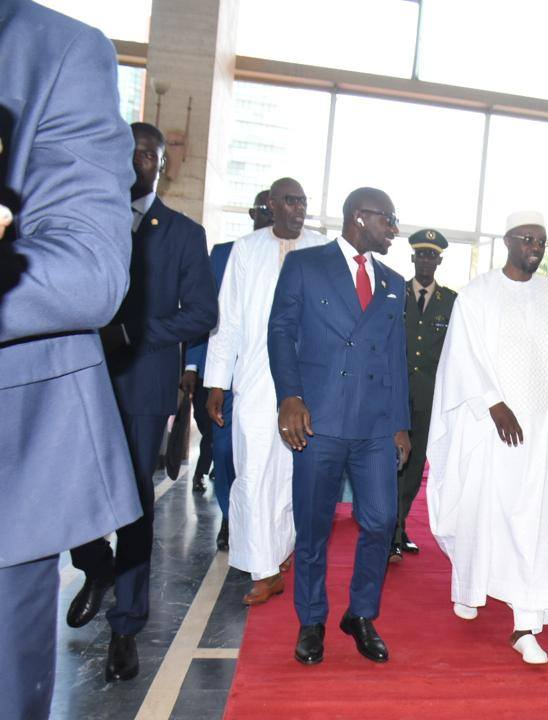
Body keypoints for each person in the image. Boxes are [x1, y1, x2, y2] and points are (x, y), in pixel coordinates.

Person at [0, 3, 144, 712]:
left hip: (53, 425)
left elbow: (91, 275)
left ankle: (126, 619)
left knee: (136, 520)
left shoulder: (49, 52)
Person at [65, 121, 217, 682]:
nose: (136, 163)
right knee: (67, 489)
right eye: (125, 153)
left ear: (162, 164)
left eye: (147, 154)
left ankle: (125, 627)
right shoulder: (87, 219)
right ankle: (95, 566)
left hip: (142, 383)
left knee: (132, 507)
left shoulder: (181, 232)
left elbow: (202, 313)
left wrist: (135, 333)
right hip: (78, 378)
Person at [427, 211, 548, 665]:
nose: (535, 247)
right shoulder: (478, 294)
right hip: (487, 429)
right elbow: (462, 356)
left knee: (531, 522)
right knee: (482, 514)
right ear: (508, 242)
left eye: (541, 240)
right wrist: (493, 403)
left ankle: (525, 624)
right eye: (527, 239)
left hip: (536, 436)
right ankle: (470, 586)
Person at [268, 187, 409, 666]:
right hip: (319, 420)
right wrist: (289, 395)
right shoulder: (306, 266)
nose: (393, 229)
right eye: (387, 219)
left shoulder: (394, 282)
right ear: (359, 217)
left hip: (373, 426)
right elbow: (281, 332)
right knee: (313, 528)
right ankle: (311, 620)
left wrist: (401, 424)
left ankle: (361, 614)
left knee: (379, 521)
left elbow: (393, 358)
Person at [204, 177, 327, 605]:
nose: (298, 208)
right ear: (271, 205)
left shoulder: (321, 248)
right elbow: (229, 319)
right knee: (254, 471)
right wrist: (218, 381)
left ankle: (282, 549)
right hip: (255, 381)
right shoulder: (246, 249)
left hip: (309, 381)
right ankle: (264, 568)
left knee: (296, 474)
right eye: (290, 200)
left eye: (303, 201)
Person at [185, 191, 271, 550]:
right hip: (222, 376)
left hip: (268, 378)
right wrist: (193, 363)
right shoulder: (224, 253)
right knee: (222, 451)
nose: (270, 214)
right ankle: (230, 516)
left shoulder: (298, 255)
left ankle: (254, 523)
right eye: (264, 209)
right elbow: (204, 312)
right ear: (252, 213)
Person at [391, 228, 457, 562]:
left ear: (440, 260)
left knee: (415, 465)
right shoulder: (392, 293)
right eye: (421, 254)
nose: (426, 260)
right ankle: (387, 530)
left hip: (430, 399)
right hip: (394, 397)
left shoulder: (451, 302)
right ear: (413, 257)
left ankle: (399, 528)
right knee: (390, 464)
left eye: (432, 255)